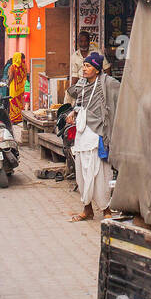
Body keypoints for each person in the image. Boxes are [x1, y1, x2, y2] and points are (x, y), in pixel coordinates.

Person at [62, 52, 120, 222]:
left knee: (100, 173)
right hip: (82, 134)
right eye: (84, 65)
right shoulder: (82, 84)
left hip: (98, 134)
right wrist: (73, 112)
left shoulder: (107, 83)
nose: (84, 69)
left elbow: (122, 91)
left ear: (96, 69)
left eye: (88, 66)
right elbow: (79, 104)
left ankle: (106, 208)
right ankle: (87, 209)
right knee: (81, 172)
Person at [7, 52, 28, 125]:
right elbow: (25, 76)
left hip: (14, 89)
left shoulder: (13, 67)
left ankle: (14, 119)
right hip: (21, 88)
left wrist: (8, 84)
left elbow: (10, 77)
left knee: (13, 103)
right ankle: (19, 118)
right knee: (20, 103)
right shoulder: (24, 66)